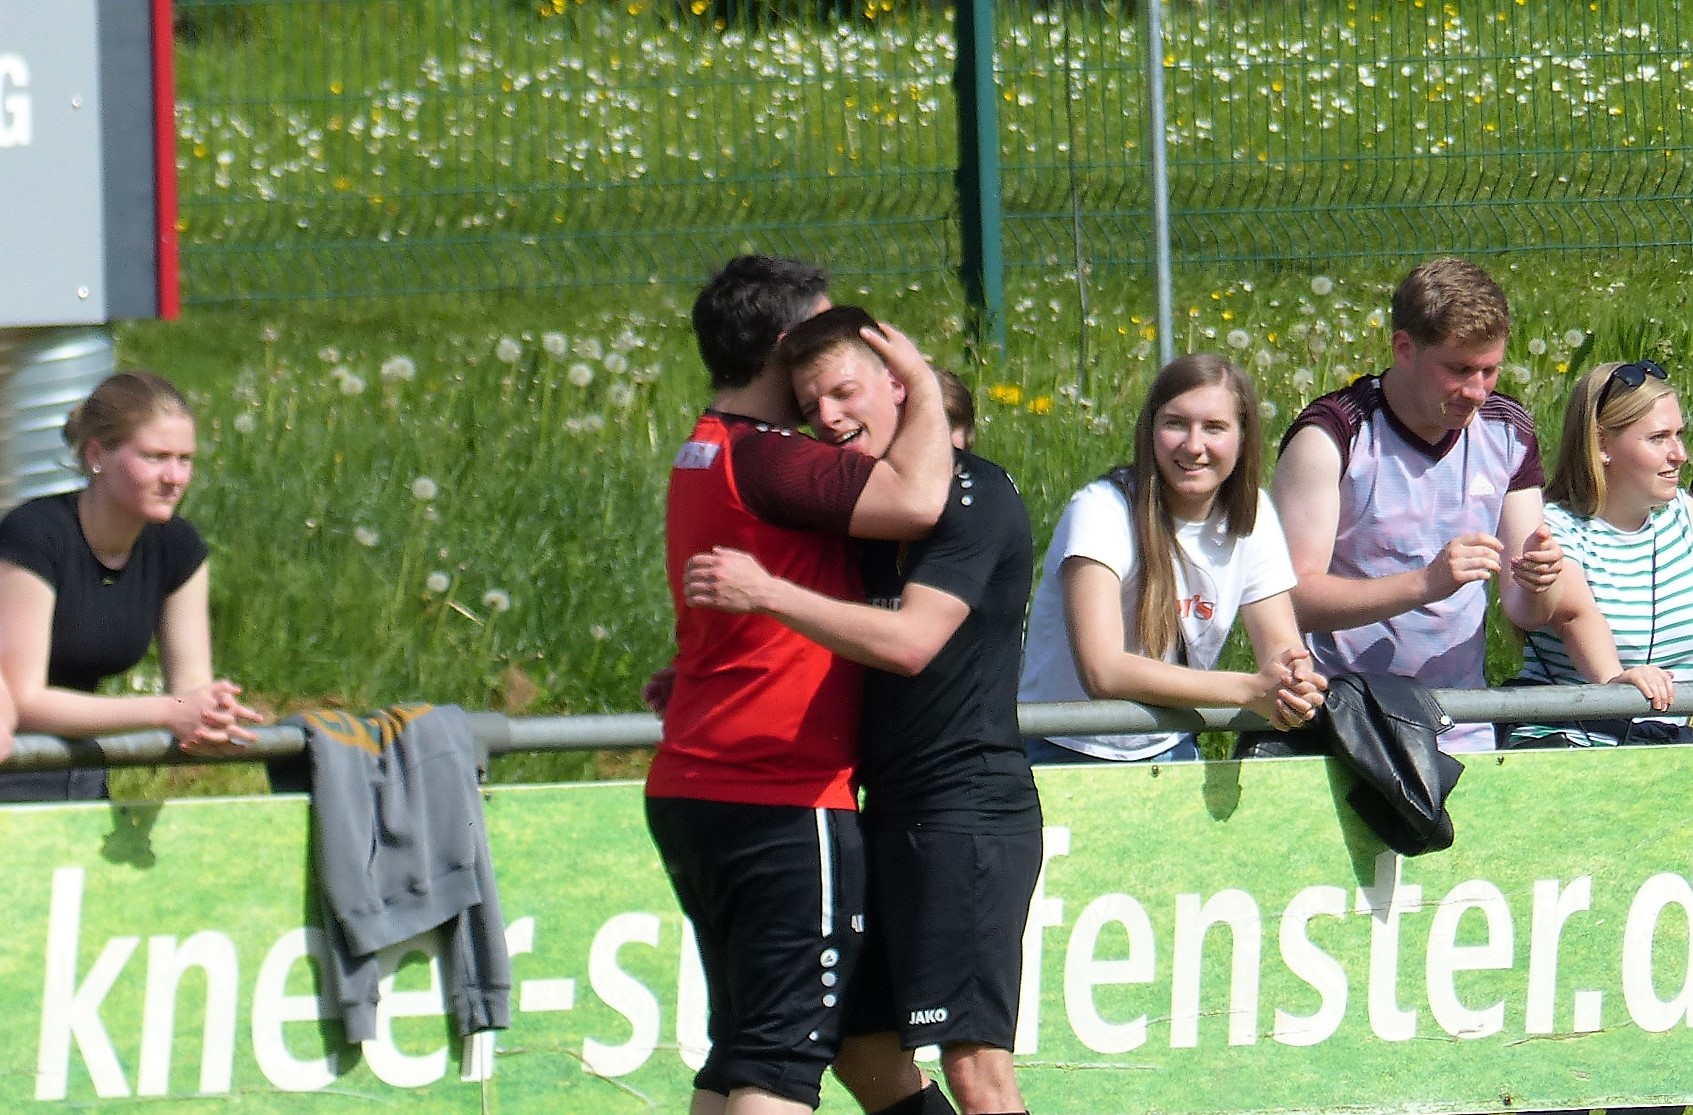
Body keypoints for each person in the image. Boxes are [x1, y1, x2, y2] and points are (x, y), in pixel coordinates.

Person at [685, 309, 1038, 1115]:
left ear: (898, 382)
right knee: (858, 1048)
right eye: (812, 404)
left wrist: (767, 594)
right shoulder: (862, 507)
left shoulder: (975, 494)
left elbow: (910, 641)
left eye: (844, 391)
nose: (829, 416)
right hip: (876, 813)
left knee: (975, 1066)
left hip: (965, 811)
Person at [646, 259, 953, 1115]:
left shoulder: (705, 447)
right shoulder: (770, 459)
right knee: (780, 1061)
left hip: (695, 785)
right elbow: (919, 499)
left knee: (742, 1048)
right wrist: (921, 383)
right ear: (785, 348)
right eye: (822, 333)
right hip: (779, 794)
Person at [1271, 256, 1564, 753]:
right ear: (1404, 348)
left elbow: (1524, 609)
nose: (1477, 391)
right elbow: (1291, 600)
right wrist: (1426, 584)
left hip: (1460, 723)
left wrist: (1540, 582)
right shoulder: (1332, 436)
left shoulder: (1507, 430)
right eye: (1459, 370)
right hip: (1343, 723)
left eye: (1490, 370)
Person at [1017, 353, 1325, 764]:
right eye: (1176, 424)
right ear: (1150, 430)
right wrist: (1248, 690)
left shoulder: (1256, 515)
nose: (1194, 446)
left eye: (1214, 428)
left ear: (1244, 438)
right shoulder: (1100, 510)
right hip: (1061, 747)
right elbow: (1102, 672)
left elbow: (1280, 647)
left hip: (1171, 746)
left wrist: (1293, 681)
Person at [0, 370, 261, 801]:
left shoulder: (178, 547)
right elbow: (23, 701)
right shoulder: (34, 536)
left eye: (185, 459)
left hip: (79, 767)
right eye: (155, 457)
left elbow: (190, 684)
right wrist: (167, 711)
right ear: (97, 455)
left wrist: (211, 712)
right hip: (11, 757)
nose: (174, 477)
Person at [1504, 360, 1690, 750]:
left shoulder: (1683, 517)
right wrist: (1613, 682)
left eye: (1679, 435)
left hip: (1668, 742)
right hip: (1575, 739)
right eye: (1659, 438)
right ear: (1602, 444)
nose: (1680, 454)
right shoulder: (1557, 529)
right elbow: (1575, 614)